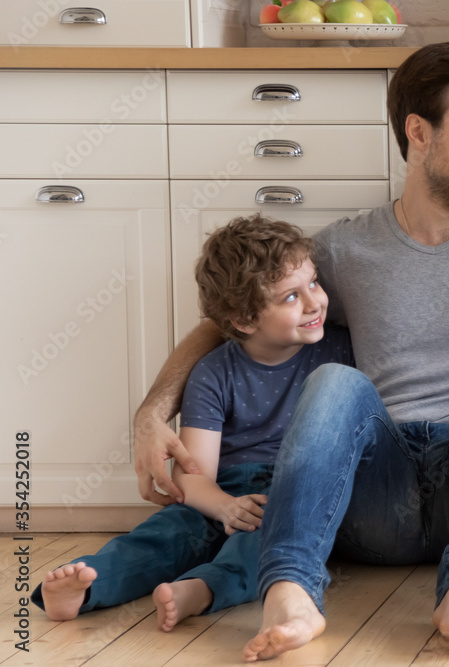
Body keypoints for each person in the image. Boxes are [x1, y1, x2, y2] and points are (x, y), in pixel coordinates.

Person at [130, 43, 449, 661]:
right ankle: (291, 593)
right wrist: (151, 414)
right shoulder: (343, 250)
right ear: (418, 132)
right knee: (334, 381)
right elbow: (231, 319)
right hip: (373, 494)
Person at [32, 215, 353, 631]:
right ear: (243, 319)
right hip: (222, 491)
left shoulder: (339, 352)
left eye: (313, 283)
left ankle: (202, 590)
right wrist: (224, 506)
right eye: (290, 296)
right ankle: (87, 586)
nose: (314, 302)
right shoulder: (213, 372)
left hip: (294, 488)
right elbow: (193, 474)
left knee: (269, 537)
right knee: (166, 533)